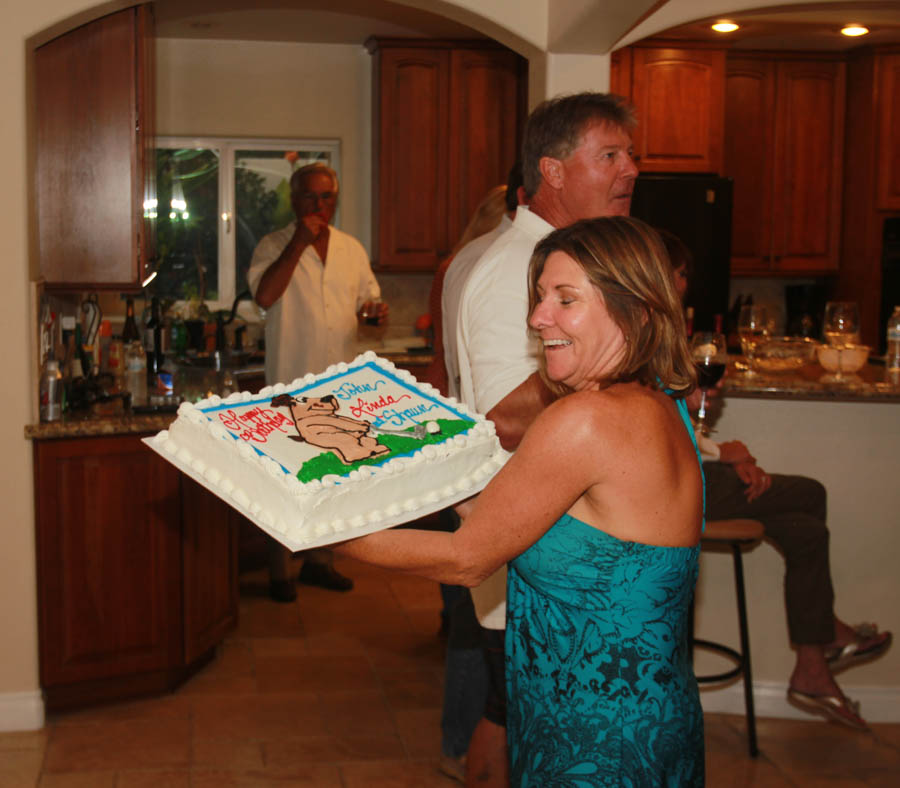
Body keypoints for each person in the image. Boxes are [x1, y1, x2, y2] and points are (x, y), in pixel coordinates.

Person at [336, 216, 706, 786]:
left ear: (635, 308)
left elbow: (467, 558)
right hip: (648, 719)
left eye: (566, 299)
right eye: (539, 298)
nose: (538, 318)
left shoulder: (583, 421)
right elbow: (506, 515)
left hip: (598, 739)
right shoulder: (662, 405)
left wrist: (318, 528)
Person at [455, 91, 639, 785]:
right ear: (554, 171)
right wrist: (615, 359)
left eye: (632, 156)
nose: (629, 172)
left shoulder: (550, 253)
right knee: (524, 726)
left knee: (522, 719)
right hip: (528, 539)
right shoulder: (523, 262)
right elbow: (502, 413)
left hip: (552, 537)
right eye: (610, 156)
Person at [661, 229, 892, 731]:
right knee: (811, 493)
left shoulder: (662, 327)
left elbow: (676, 418)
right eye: (680, 273)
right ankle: (819, 647)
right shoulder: (651, 328)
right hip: (676, 486)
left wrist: (724, 450)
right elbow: (663, 426)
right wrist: (728, 453)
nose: (684, 284)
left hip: (690, 469)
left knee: (808, 531)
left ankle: (812, 661)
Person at [247, 162, 387, 602]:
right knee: (285, 481)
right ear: (294, 200)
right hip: (291, 385)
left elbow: (370, 303)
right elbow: (265, 296)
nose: (319, 205)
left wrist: (374, 314)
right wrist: (298, 243)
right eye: (310, 196)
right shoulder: (273, 245)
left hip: (341, 386)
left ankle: (320, 563)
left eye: (327, 197)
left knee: (332, 480)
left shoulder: (351, 249)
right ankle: (278, 570)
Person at [420, 178, 518, 782]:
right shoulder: (483, 267)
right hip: (474, 445)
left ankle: (458, 741)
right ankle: (460, 743)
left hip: (455, 440)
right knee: (474, 611)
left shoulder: (456, 267)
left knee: (469, 612)